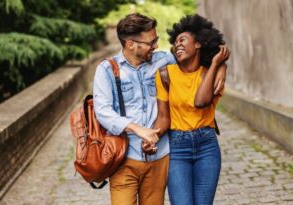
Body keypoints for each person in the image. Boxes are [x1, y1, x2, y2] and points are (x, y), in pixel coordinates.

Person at [93, 13, 226, 205]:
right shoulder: (107, 70)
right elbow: (103, 112)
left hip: (159, 157)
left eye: (156, 40)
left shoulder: (163, 60)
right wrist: (137, 129)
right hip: (125, 158)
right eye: (151, 42)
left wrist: (221, 66)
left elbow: (200, 55)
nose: (156, 45)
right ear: (131, 44)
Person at [155, 14, 230, 205]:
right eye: (175, 42)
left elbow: (201, 101)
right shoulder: (165, 75)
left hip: (207, 145)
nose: (177, 45)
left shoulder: (213, 74)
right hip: (177, 147)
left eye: (183, 40)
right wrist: (151, 137)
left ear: (198, 44)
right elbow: (163, 117)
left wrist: (216, 64)